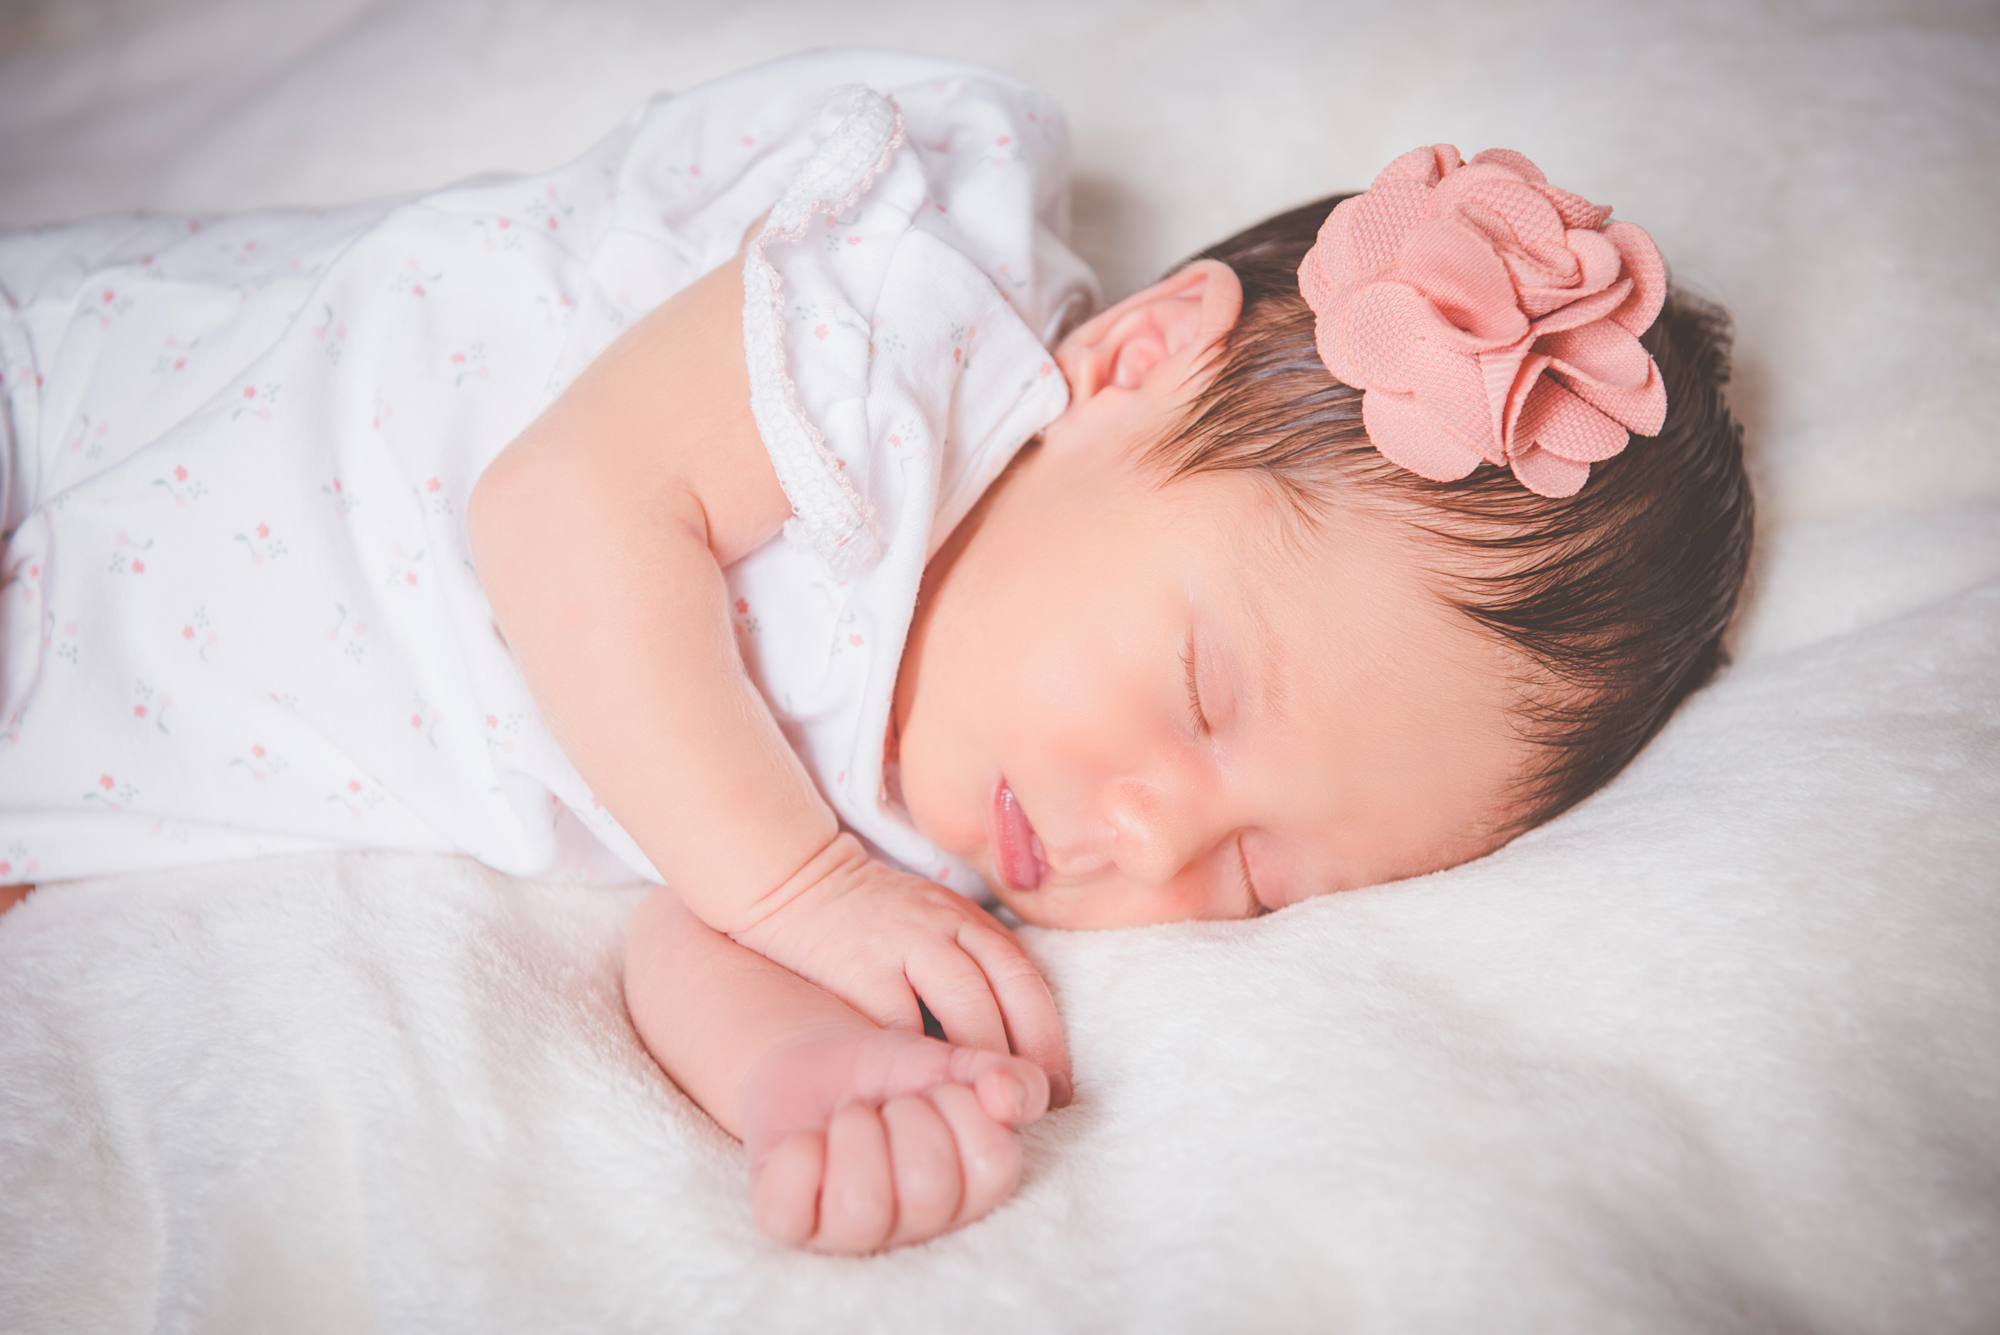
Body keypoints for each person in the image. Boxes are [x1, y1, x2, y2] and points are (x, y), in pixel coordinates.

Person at [0, 52, 1752, 1254]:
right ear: (1134, 361)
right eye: (1203, 697)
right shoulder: (901, 343)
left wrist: (806, 1065)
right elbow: (566, 511)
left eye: (1256, 880)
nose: (1151, 839)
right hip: (72, 420)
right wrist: (804, 892)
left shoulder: (940, 841)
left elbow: (688, 915)